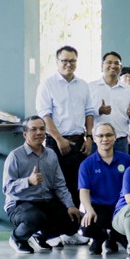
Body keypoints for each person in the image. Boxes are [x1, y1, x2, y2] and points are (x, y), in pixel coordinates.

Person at [35, 45, 96, 223]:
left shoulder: (83, 85)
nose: (69, 64)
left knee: (77, 184)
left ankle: (71, 228)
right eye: (64, 61)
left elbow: (89, 112)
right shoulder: (47, 85)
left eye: (72, 61)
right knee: (56, 185)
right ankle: (56, 228)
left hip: (79, 142)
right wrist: (59, 139)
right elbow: (45, 115)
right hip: (56, 142)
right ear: (57, 61)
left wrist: (89, 137)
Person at [3, 116, 81, 253]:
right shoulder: (15, 156)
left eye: (42, 129)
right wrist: (28, 181)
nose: (39, 132)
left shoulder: (51, 154)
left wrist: (70, 205)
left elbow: (59, 184)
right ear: (25, 134)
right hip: (20, 203)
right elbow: (7, 188)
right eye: (34, 129)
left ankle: (40, 236)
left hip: (45, 201)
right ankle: (17, 239)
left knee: (73, 220)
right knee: (36, 218)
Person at [78, 122, 130, 255]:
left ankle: (113, 237)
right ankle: (100, 237)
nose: (105, 139)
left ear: (115, 137)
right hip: (98, 208)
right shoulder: (87, 164)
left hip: (121, 207)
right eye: (100, 136)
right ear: (94, 139)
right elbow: (84, 191)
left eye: (109, 135)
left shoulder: (127, 160)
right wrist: (89, 210)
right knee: (87, 227)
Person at [89, 51, 130, 156]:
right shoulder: (91, 88)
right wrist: (98, 111)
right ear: (102, 65)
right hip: (97, 141)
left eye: (116, 63)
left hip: (120, 141)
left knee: (121, 167)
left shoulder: (128, 90)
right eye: (109, 62)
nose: (113, 66)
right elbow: (84, 115)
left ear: (120, 67)